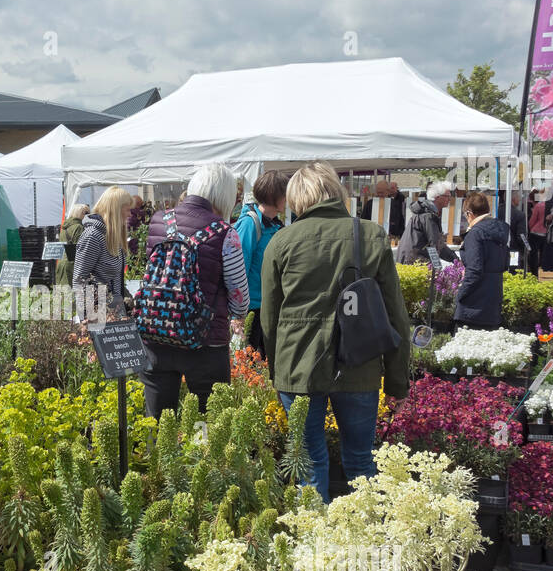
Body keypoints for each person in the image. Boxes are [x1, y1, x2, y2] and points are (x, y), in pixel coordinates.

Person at [261, 162, 410, 502]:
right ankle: (367, 538)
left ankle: (316, 546)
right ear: (336, 192)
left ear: (297, 197)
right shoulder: (370, 235)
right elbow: (395, 315)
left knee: (310, 465)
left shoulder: (281, 243)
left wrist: (277, 372)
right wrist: (398, 381)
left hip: (298, 368)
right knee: (360, 460)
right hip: (359, 364)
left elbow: (270, 320)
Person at [139, 163, 249, 416]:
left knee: (157, 423)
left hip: (157, 334)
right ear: (225, 196)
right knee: (209, 424)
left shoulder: (159, 221)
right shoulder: (225, 233)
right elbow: (239, 299)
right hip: (205, 342)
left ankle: (155, 455)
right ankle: (203, 454)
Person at [235, 170, 287, 356]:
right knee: (250, 365)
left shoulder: (276, 225)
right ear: (275, 196)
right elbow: (238, 268)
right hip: (251, 310)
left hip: (269, 306)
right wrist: (237, 315)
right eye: (285, 194)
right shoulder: (250, 224)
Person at [453, 191, 511, 329]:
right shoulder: (500, 231)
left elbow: (474, 270)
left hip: (474, 302)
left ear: (469, 213)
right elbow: (504, 264)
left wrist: (460, 295)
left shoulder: (475, 233)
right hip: (494, 296)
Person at [72, 185, 132, 311]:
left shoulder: (112, 236)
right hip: (97, 315)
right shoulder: (93, 236)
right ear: (116, 210)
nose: (129, 214)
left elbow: (115, 279)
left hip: (113, 313)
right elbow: (79, 280)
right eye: (127, 210)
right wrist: (88, 317)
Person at [396, 181, 456, 265]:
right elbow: (436, 245)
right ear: (438, 197)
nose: (450, 199)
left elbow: (433, 245)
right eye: (447, 196)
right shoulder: (428, 216)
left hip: (411, 259)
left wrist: (437, 266)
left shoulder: (426, 212)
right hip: (413, 262)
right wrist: (456, 260)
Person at [56, 203, 89, 287]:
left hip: (61, 263)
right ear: (79, 213)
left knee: (62, 293)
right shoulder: (79, 227)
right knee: (73, 295)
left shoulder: (64, 227)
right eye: (86, 213)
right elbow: (81, 248)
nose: (88, 215)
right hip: (72, 265)